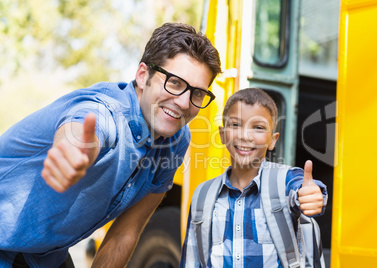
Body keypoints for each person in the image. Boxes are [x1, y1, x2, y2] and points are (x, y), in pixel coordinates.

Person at [0, 22, 221, 267]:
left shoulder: (177, 141)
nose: (183, 102)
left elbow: (125, 232)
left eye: (197, 93)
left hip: (42, 256)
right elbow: (83, 127)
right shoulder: (106, 111)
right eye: (175, 83)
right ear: (142, 75)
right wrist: (73, 150)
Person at [180, 88, 328, 267]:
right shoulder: (202, 195)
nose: (245, 136)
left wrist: (312, 194)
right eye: (235, 125)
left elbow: (302, 188)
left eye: (258, 128)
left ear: (273, 140)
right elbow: (191, 261)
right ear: (222, 134)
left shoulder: (285, 182)